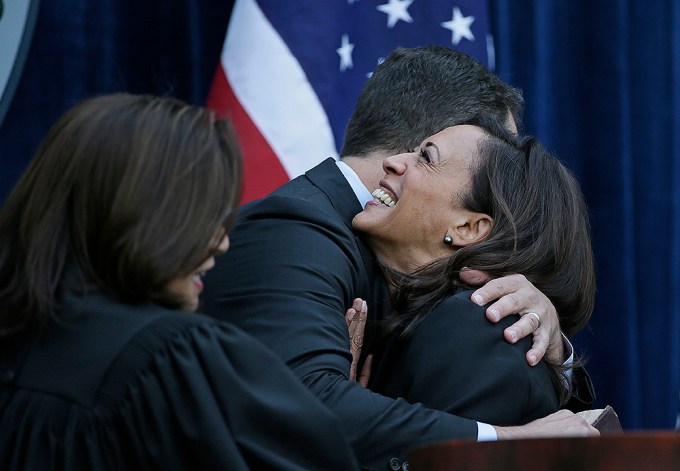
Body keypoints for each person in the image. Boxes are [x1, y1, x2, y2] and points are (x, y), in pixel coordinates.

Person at [201, 45, 597, 471]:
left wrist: (552, 346)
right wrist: (505, 442)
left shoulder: (470, 310)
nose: (396, 163)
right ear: (447, 133)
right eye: (426, 151)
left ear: (468, 226)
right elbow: (304, 402)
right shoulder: (294, 225)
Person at [0, 94, 359, 470]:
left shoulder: (17, 338)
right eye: (204, 215)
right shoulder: (175, 357)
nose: (221, 242)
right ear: (145, 216)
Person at [354, 118, 596, 426]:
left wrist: (343, 428)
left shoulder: (479, 323)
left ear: (469, 228)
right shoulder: (432, 318)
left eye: (426, 157)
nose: (391, 162)